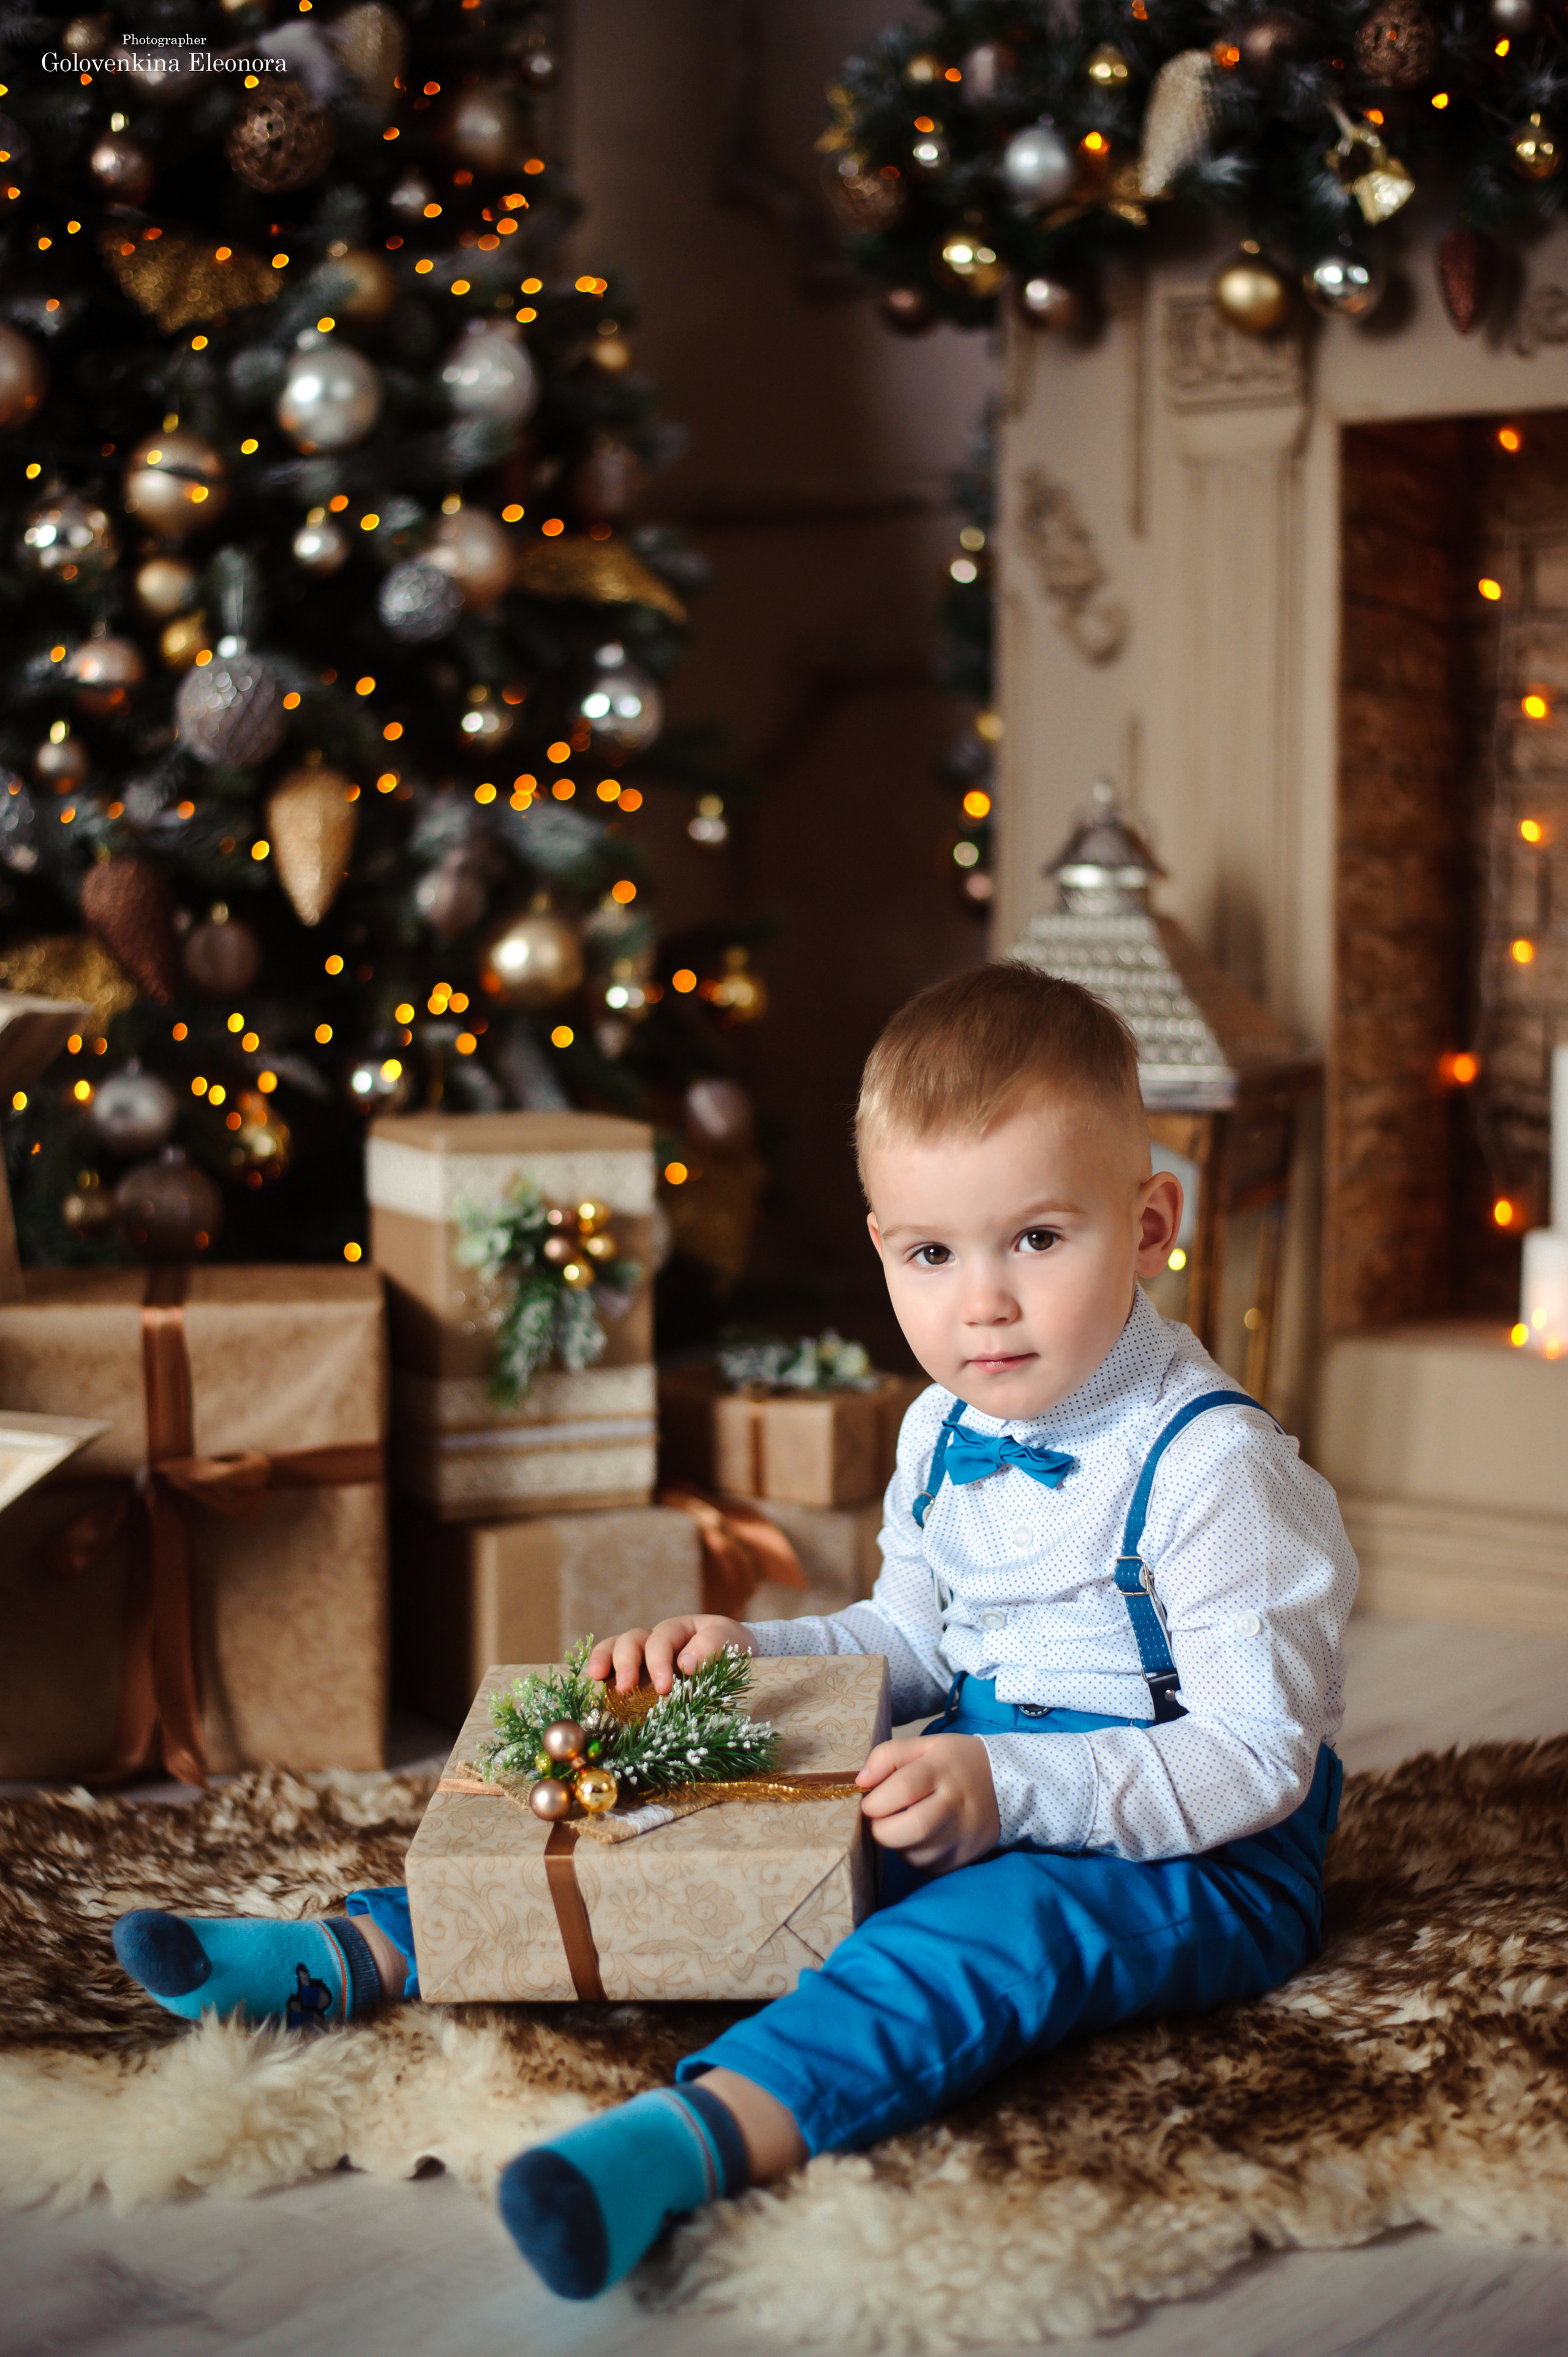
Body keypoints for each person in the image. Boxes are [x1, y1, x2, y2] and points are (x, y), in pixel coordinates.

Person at [113, 962, 1357, 2302]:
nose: (980, 1302)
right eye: (930, 1254)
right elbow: (912, 1638)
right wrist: (765, 1663)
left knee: (979, 1937)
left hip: (1197, 1845)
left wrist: (1011, 1789)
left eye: (1036, 1241)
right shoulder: (942, 1425)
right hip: (984, 1760)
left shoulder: (1209, 1466)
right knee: (684, 1789)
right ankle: (364, 1950)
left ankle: (697, 2135)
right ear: (882, 1241)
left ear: (1149, 1219)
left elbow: (1254, 1753)